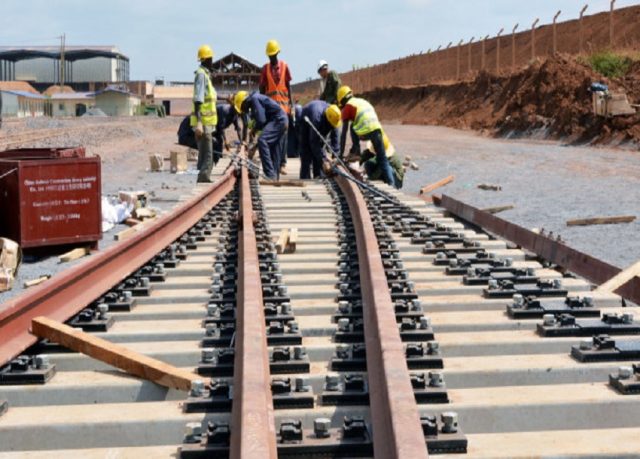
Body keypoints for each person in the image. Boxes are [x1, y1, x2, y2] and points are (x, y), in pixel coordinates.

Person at [337, 85, 398, 188]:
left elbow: (343, 133)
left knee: (353, 126)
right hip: (378, 131)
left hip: (365, 131)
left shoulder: (348, 106)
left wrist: (340, 154)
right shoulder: (362, 101)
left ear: (342, 100)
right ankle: (392, 186)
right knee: (383, 159)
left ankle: (356, 151)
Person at [234, 90, 288, 180]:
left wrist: (254, 130)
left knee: (262, 140)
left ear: (245, 102)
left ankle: (270, 175)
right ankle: (274, 177)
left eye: (243, 108)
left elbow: (261, 120)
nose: (244, 111)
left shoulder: (255, 99)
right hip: (282, 120)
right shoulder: (257, 98)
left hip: (277, 120)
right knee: (275, 147)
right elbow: (263, 118)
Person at [259, 39, 294, 175]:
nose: (272, 57)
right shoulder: (265, 69)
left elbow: (289, 87)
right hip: (271, 112)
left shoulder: (285, 66)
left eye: (274, 55)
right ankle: (275, 165)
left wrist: (292, 106)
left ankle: (282, 164)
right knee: (274, 139)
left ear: (278, 53)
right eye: (270, 55)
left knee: (283, 138)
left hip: (284, 109)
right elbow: (262, 89)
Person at [190, 44, 218, 183]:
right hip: (204, 123)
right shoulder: (201, 75)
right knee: (208, 154)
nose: (212, 61)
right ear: (206, 59)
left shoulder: (205, 74)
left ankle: (202, 178)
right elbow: (198, 100)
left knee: (204, 154)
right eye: (211, 58)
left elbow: (209, 98)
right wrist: (200, 123)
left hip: (207, 123)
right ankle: (204, 178)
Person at [300, 101, 340, 179]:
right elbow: (314, 142)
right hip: (305, 119)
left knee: (320, 146)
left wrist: (335, 156)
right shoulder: (317, 119)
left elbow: (335, 137)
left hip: (320, 116)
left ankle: (318, 175)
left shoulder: (334, 116)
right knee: (306, 150)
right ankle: (305, 177)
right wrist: (324, 159)